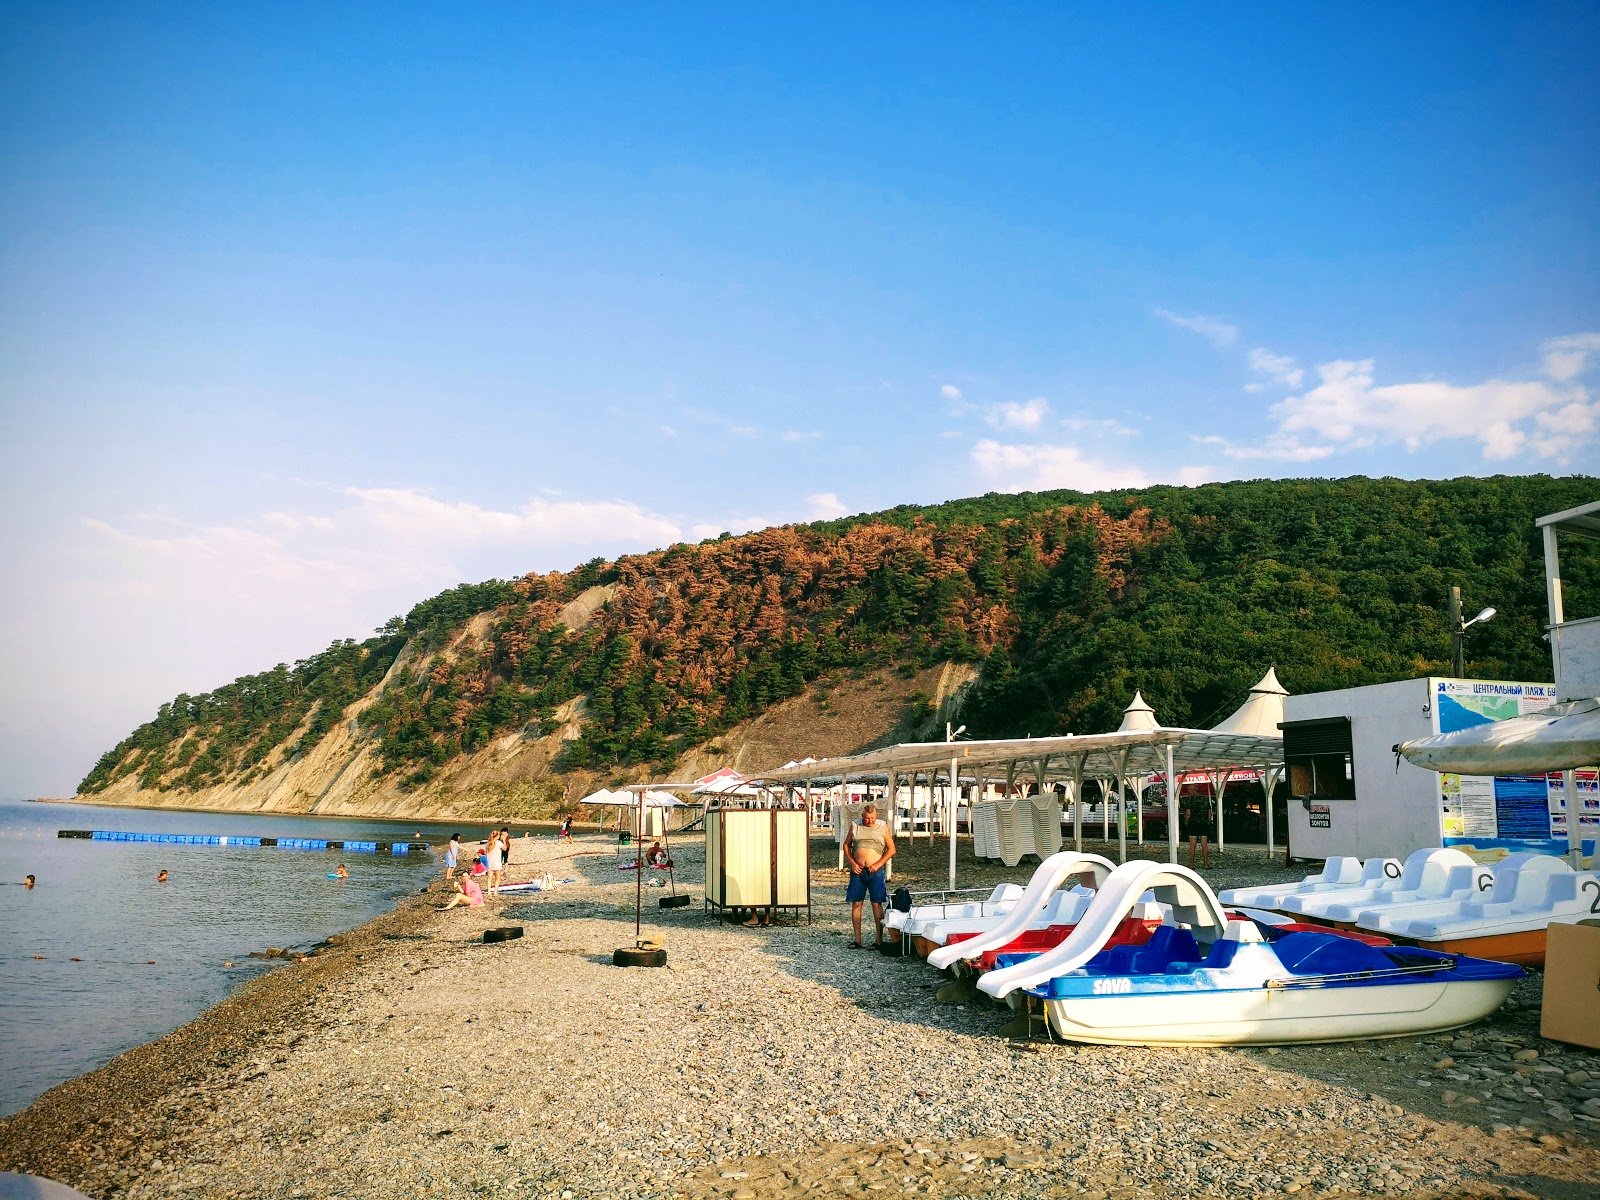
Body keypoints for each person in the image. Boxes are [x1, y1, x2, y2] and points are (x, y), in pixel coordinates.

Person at [843, 802, 896, 948]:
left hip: (875, 871)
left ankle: (878, 940)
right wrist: (853, 863)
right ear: (862, 816)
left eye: (872, 818)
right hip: (858, 871)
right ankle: (857, 940)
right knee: (857, 903)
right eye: (867, 818)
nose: (869, 821)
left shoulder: (882, 826)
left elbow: (891, 849)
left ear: (876, 816)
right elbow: (846, 845)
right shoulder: (855, 825)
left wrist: (878, 864)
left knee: (876, 903)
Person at [484, 829, 504, 897]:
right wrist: (503, 840)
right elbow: (505, 848)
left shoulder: (488, 843)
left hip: (490, 863)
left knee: (489, 878)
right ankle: (495, 892)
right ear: (497, 836)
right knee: (497, 878)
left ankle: (489, 891)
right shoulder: (498, 843)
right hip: (497, 862)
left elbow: (486, 853)